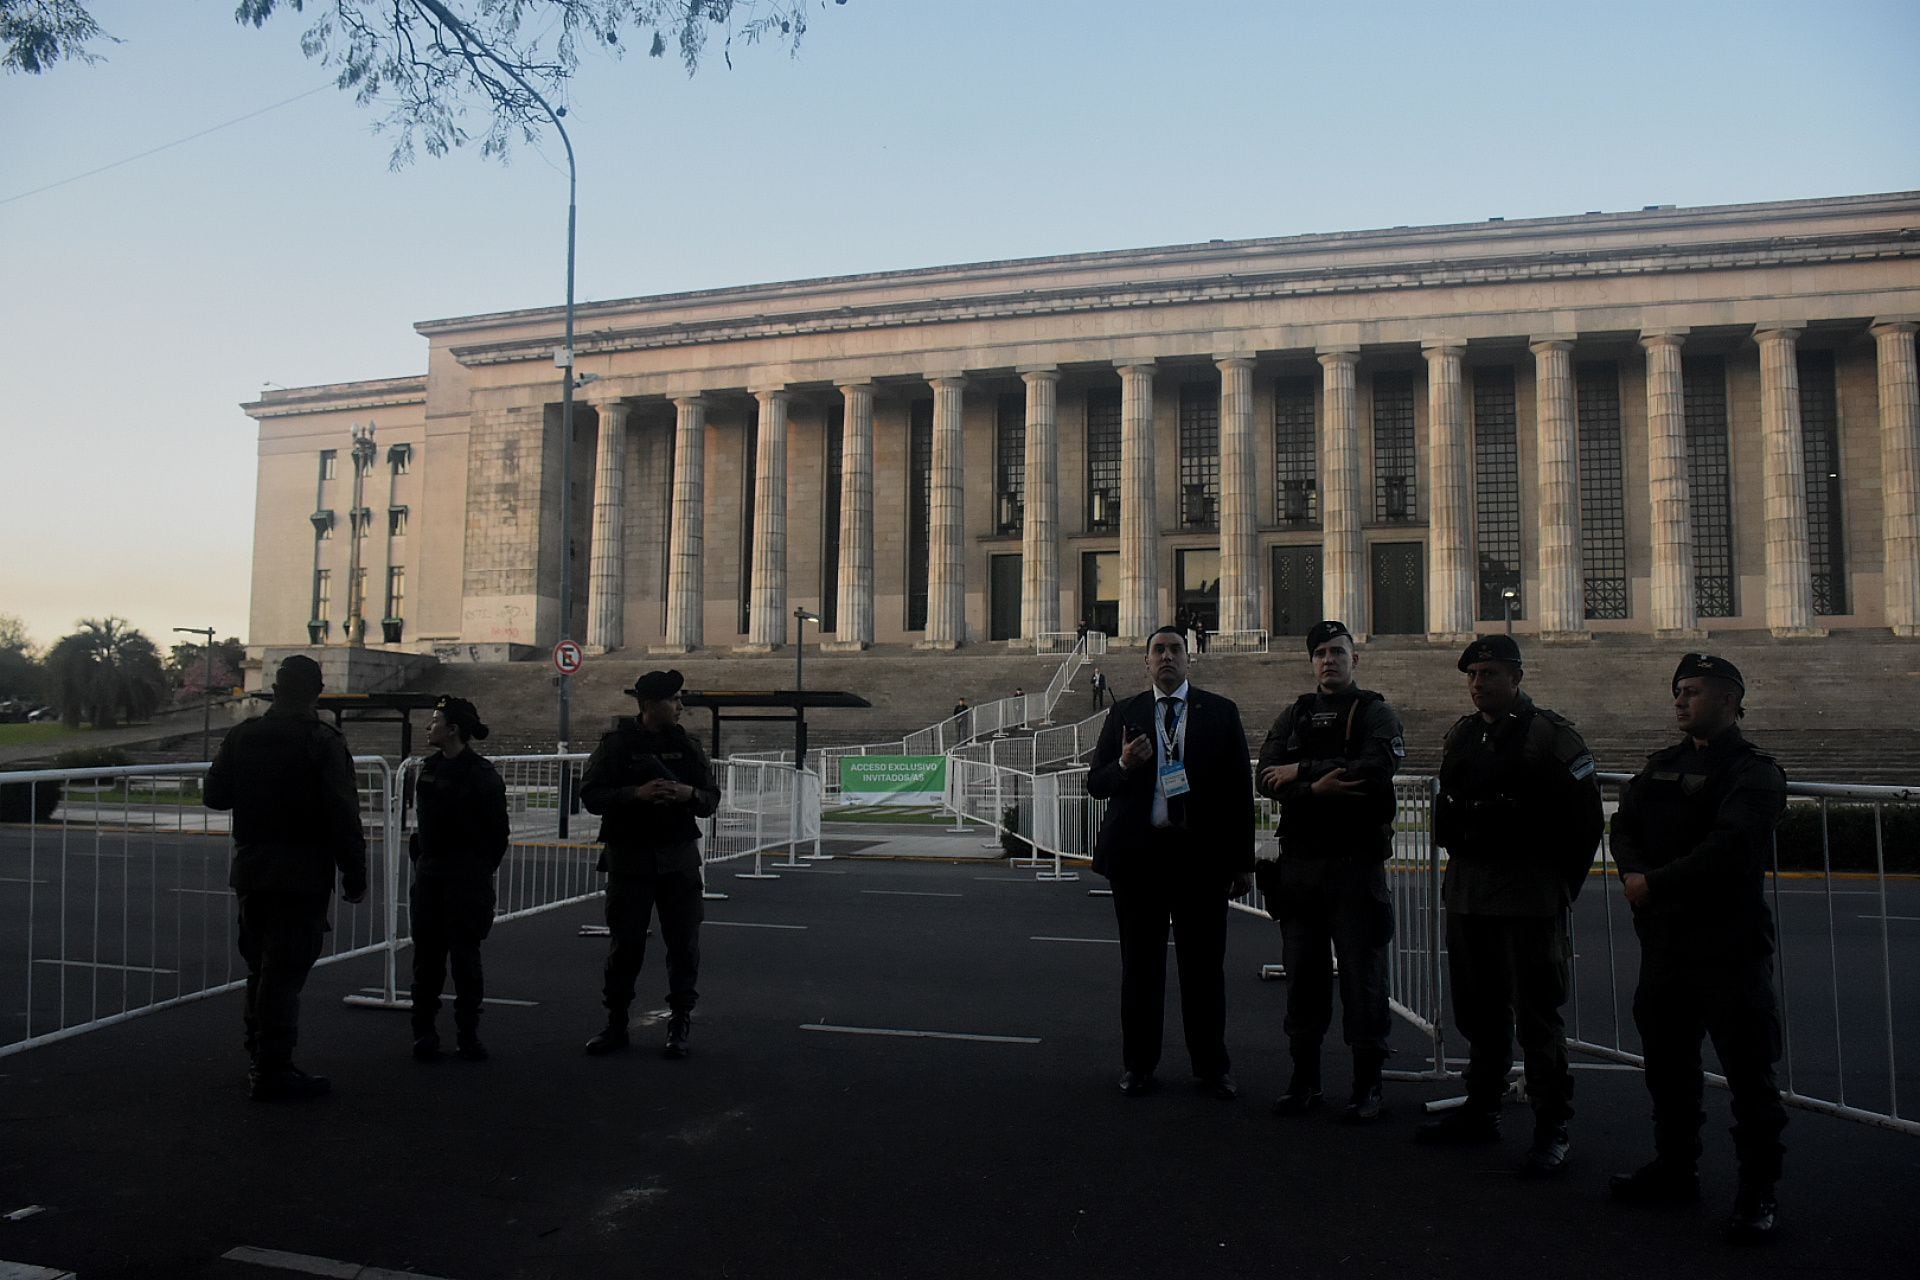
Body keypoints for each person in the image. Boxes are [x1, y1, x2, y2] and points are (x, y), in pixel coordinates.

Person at [1608, 654, 1788, 1244]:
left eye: (1695, 692)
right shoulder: (1663, 765)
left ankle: (1757, 1190)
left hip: (1727, 942)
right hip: (1666, 942)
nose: (1681, 701)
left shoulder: (1754, 769)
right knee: (1668, 1065)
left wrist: (1652, 883)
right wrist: (1634, 872)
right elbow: (1624, 826)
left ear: (1732, 699)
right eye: (1678, 691)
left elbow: (1732, 846)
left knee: (1748, 1074)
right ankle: (1675, 1166)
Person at [1417, 636, 1602, 1174]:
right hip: (1471, 889)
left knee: (1537, 1015)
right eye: (1473, 674)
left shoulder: (1551, 735)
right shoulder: (1464, 734)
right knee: (1478, 1011)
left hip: (1527, 893)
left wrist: (1559, 887)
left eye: (1490, 674)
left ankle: (1552, 1126)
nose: (1479, 683)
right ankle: (1481, 1110)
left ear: (1516, 677)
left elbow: (1585, 822)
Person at [1086, 625, 1255, 1100]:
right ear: (1145, 662)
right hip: (1140, 860)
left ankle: (1211, 1066)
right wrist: (1123, 765)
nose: (1166, 657)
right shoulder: (1125, 712)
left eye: (1174, 649)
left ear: (1189, 658)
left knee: (1204, 969)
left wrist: (1242, 864)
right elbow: (1095, 783)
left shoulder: (1220, 712)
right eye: (1157, 650)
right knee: (1140, 968)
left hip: (1200, 861)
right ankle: (1139, 1065)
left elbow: (1240, 793)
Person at [1255, 620, 1405, 1123]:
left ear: (1354, 659)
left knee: (1363, 979)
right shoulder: (1296, 714)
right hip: (1300, 867)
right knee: (1303, 977)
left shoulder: (1375, 713)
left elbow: (1373, 771)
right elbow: (1264, 776)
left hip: (1354, 865)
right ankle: (1305, 1082)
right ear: (1311, 660)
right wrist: (1313, 788)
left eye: (1337, 652)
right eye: (1320, 652)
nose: (1328, 660)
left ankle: (1368, 1086)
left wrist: (1301, 771)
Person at [204, 654, 367, 1102]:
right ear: (317, 692)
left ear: (275, 690)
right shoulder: (322, 740)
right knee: (285, 971)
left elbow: (215, 795)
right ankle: (272, 1067)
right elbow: (342, 812)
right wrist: (355, 872)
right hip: (302, 871)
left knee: (261, 966)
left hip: (253, 868)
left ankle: (260, 1055)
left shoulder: (243, 736)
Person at [579, 670, 721, 1059]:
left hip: (677, 859)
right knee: (625, 945)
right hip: (631, 858)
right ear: (648, 705)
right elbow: (590, 794)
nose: (680, 706)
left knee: (683, 945)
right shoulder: (616, 745)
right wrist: (635, 794)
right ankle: (616, 1022)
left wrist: (686, 793)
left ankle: (679, 1021)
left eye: (680, 699)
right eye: (674, 699)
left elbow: (711, 800)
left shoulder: (688, 746)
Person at [408, 695, 510, 1063]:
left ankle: (468, 1035)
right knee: (427, 960)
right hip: (431, 876)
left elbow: (498, 834)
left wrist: (478, 871)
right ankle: (424, 1032)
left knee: (465, 960)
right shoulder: (429, 768)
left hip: (466, 878)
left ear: (452, 729)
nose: (428, 726)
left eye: (435, 720)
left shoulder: (482, 775)